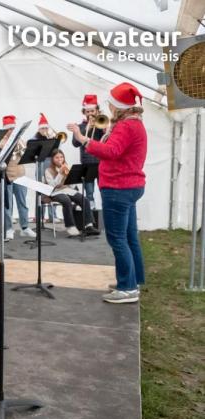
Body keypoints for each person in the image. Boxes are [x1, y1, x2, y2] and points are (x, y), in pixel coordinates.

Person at [68, 82, 147, 304]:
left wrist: (84, 138)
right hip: (130, 186)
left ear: (120, 106)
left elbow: (111, 151)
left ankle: (127, 288)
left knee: (118, 239)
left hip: (118, 187)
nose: (109, 107)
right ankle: (133, 280)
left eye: (111, 103)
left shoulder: (125, 126)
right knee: (130, 237)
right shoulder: (133, 124)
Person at [44, 149, 100, 237]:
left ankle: (89, 225)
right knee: (66, 201)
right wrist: (60, 174)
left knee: (84, 200)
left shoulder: (67, 167)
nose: (60, 159)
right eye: (57, 157)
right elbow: (52, 185)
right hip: (55, 192)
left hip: (67, 190)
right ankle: (70, 226)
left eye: (61, 157)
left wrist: (71, 176)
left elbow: (72, 187)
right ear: (52, 159)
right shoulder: (48, 170)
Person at [0, 115, 35, 241]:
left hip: (20, 176)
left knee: (22, 203)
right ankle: (9, 229)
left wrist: (19, 142)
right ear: (5, 130)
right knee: (7, 205)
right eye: (9, 129)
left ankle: (25, 228)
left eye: (14, 129)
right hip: (7, 176)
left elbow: (26, 152)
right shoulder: (1, 142)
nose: (12, 131)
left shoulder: (20, 140)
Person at [71, 94, 104, 208]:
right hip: (87, 163)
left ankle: (106, 214)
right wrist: (87, 129)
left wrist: (103, 127)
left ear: (97, 111)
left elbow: (108, 140)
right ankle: (91, 217)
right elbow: (75, 143)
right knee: (89, 193)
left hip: (101, 163)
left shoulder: (102, 124)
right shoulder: (79, 126)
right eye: (87, 111)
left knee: (104, 191)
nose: (90, 114)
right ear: (84, 112)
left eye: (92, 111)